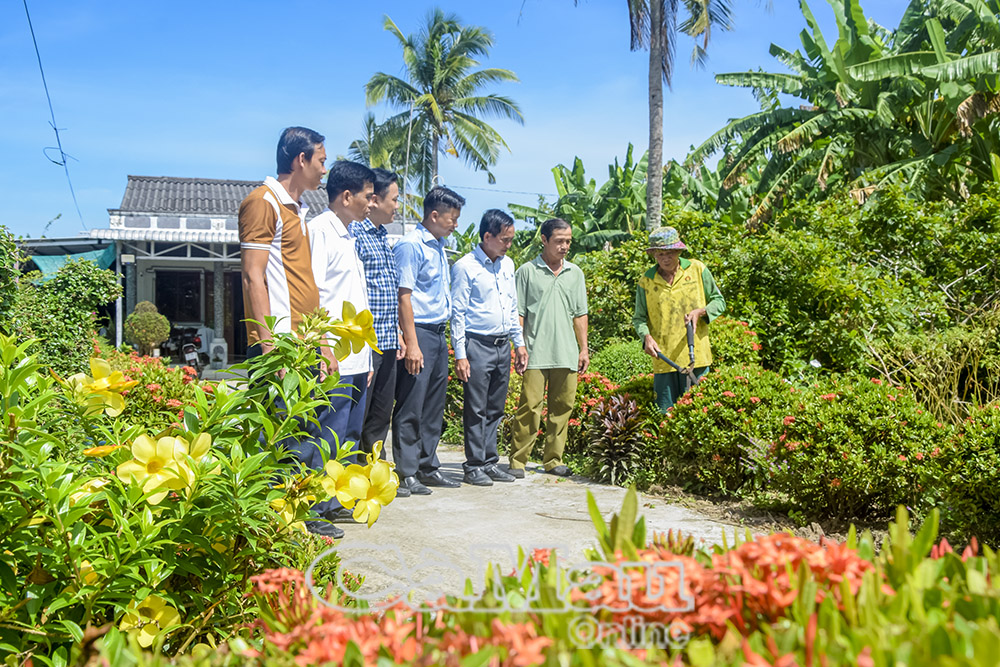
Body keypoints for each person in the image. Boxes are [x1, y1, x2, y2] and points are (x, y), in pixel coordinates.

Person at [238, 127, 343, 538]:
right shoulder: (263, 202)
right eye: (321, 160)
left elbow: (305, 284)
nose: (324, 169)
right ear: (301, 159)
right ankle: (282, 520)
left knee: (305, 430)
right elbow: (253, 277)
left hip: (304, 341)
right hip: (279, 344)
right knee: (281, 434)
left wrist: (323, 342)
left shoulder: (297, 210)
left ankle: (299, 511)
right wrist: (269, 348)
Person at [392, 186, 465, 495]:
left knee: (433, 404)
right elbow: (403, 296)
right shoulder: (411, 246)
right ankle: (406, 471)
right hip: (418, 331)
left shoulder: (439, 246)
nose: (455, 225)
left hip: (437, 332)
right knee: (411, 403)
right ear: (434, 215)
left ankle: (427, 465)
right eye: (452, 218)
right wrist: (411, 343)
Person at [307, 160, 375, 481]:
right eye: (368, 196)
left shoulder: (349, 235)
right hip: (333, 357)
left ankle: (339, 499)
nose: (371, 204)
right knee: (327, 438)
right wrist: (323, 348)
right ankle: (320, 503)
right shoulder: (320, 231)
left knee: (349, 437)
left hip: (356, 359)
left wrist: (367, 357)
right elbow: (312, 295)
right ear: (347, 196)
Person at [451, 209, 528, 486]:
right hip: (477, 345)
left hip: (502, 345)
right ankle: (473, 466)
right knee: (476, 408)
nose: (509, 245)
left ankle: (489, 462)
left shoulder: (508, 265)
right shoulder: (465, 267)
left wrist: (519, 344)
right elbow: (458, 313)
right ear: (487, 236)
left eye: (511, 239)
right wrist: (461, 354)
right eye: (505, 240)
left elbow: (512, 306)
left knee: (495, 407)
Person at [509, 218, 588, 478]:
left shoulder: (575, 273)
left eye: (568, 241)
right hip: (534, 352)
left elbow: (580, 314)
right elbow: (519, 313)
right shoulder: (526, 272)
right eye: (559, 241)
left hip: (566, 353)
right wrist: (519, 346)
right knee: (529, 408)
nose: (565, 246)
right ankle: (518, 461)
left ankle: (554, 460)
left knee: (562, 408)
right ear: (544, 240)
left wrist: (583, 348)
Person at [349, 169, 409, 500]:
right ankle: (352, 482)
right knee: (358, 415)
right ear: (374, 200)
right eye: (394, 199)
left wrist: (398, 331)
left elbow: (388, 291)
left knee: (380, 415)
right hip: (366, 342)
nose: (397, 206)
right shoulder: (355, 234)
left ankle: (374, 477)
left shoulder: (383, 237)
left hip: (388, 340)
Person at [632, 226, 726, 413]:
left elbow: (719, 302)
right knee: (664, 416)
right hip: (663, 359)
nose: (665, 259)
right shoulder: (646, 281)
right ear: (654, 255)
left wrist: (701, 312)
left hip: (696, 357)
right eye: (660, 254)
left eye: (670, 253)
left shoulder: (697, 269)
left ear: (678, 251)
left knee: (699, 413)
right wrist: (646, 338)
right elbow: (639, 319)